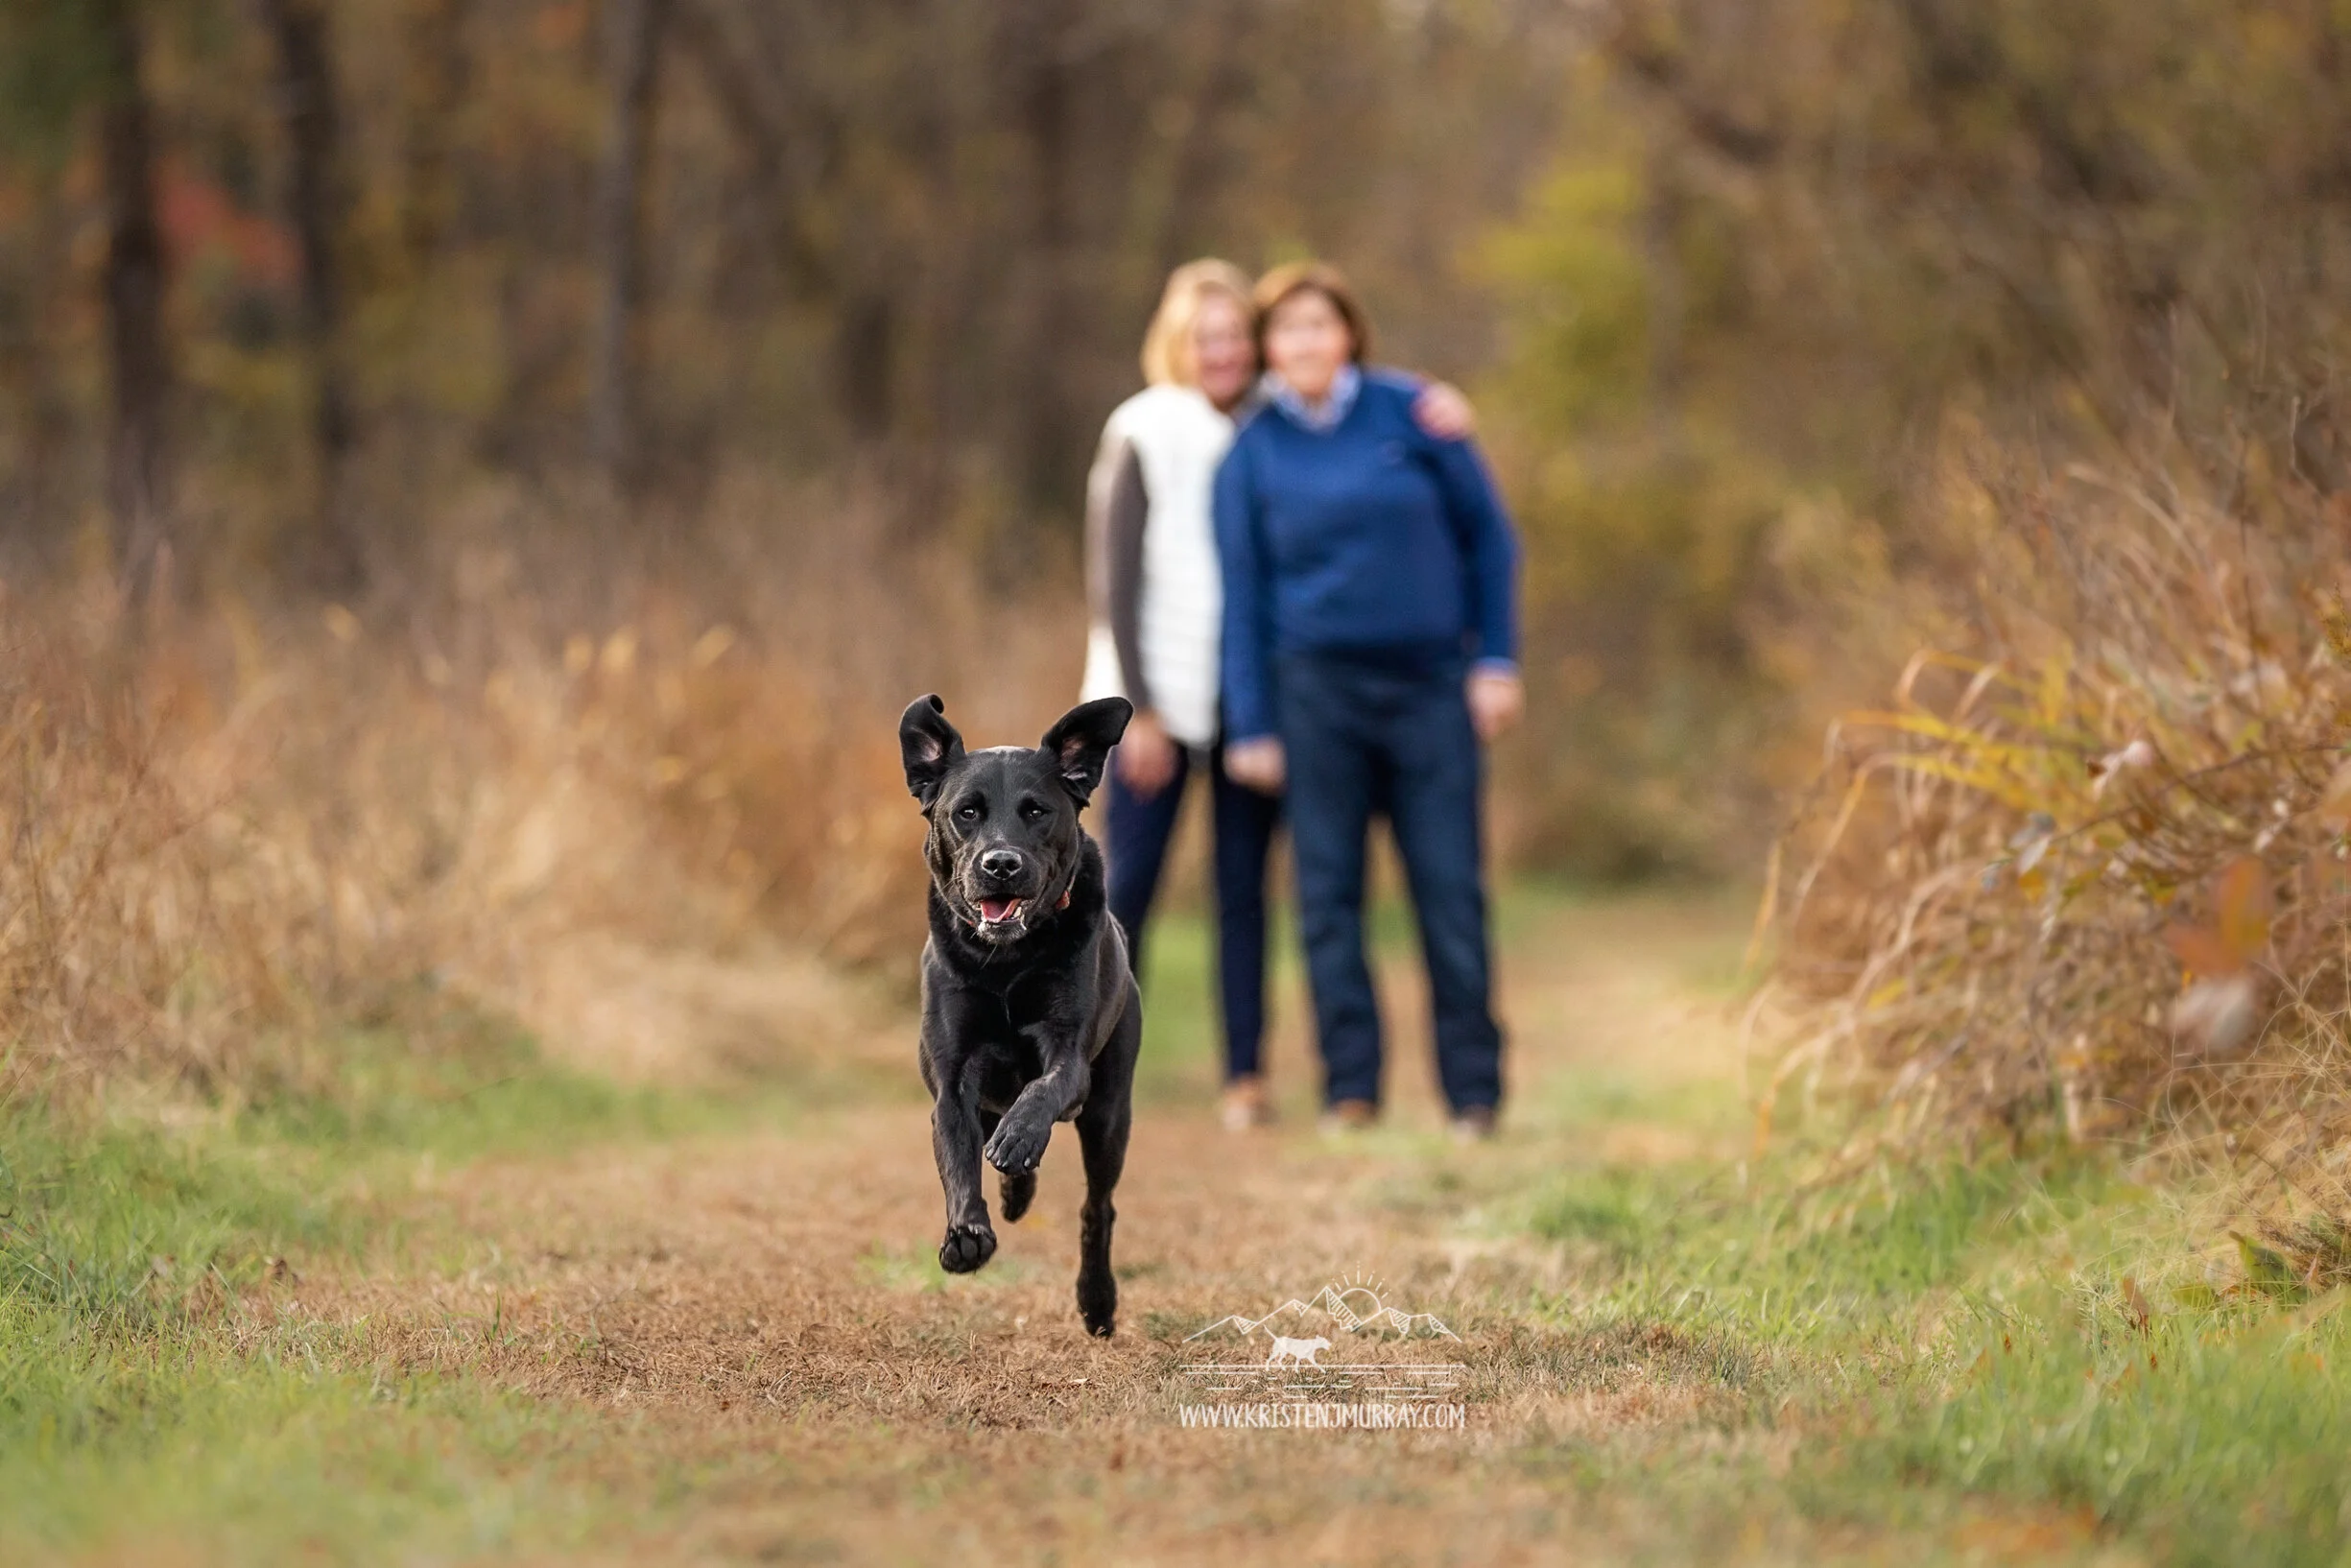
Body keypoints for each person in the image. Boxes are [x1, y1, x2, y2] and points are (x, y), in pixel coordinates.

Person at [1081, 260, 1475, 1133]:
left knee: (1243, 892)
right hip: (1155, 700)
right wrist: (1133, 708)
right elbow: (1113, 583)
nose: (1221, 352)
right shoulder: (1143, 427)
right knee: (1125, 889)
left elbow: (1360, 397)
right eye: (1204, 338)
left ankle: (1245, 1074)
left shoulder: (1274, 421)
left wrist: (1437, 402)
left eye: (1233, 337)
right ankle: (1093, 1060)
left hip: (1250, 705)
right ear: (1175, 346)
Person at [1212, 261, 1524, 1142]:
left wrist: (1496, 661)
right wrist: (1254, 721)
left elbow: (1491, 544)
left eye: (1321, 325)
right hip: (1316, 696)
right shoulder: (1254, 451)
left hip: (1432, 690)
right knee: (1328, 899)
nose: (1305, 343)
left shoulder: (1417, 415)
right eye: (1288, 330)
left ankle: (1474, 1094)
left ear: (1349, 332)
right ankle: (1352, 1089)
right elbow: (1245, 595)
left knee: (1450, 891)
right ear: (1268, 349)